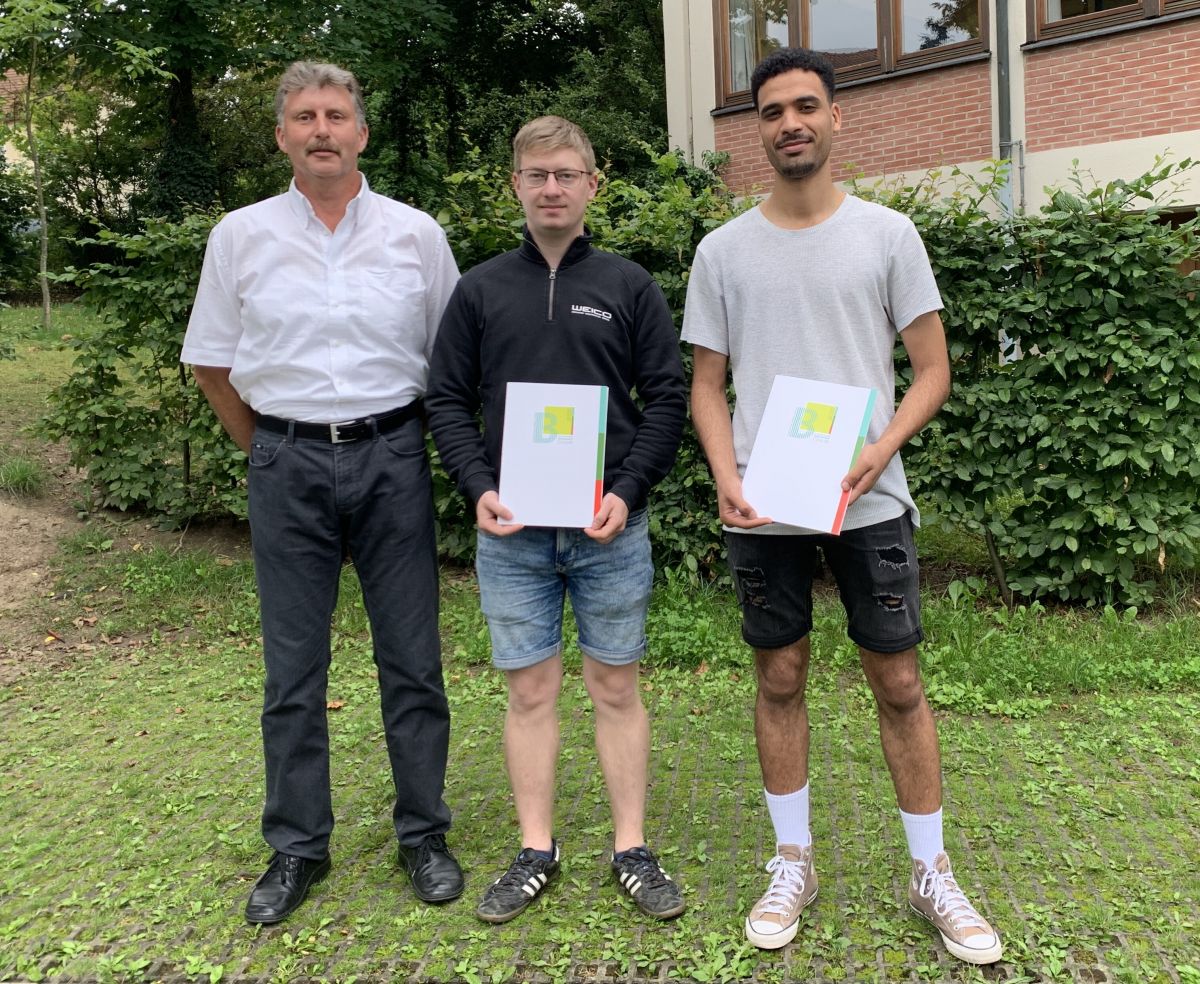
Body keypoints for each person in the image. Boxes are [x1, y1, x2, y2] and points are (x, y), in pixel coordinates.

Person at [682, 48, 1003, 965]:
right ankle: (793, 861)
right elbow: (706, 385)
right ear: (757, 129)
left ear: (834, 117)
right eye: (772, 110)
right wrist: (725, 474)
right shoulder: (722, 252)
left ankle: (930, 870)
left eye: (806, 106)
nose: (790, 123)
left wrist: (881, 447)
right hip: (765, 505)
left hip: (870, 499)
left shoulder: (888, 236)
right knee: (779, 678)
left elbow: (932, 370)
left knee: (898, 683)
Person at [181, 61, 463, 924]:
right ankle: (298, 846)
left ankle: (424, 834)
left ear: (361, 133)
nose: (321, 130)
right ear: (282, 137)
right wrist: (270, 448)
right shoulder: (240, 236)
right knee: (293, 671)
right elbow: (211, 363)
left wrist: (418, 446)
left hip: (392, 457)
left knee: (412, 660)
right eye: (304, 117)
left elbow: (453, 363)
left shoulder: (416, 235)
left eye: (336, 115)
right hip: (288, 462)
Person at [426, 116, 687, 925]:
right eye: (537, 174)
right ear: (515, 184)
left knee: (616, 686)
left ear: (592, 186)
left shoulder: (629, 286)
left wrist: (628, 491)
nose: (551, 188)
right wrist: (477, 486)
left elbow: (667, 399)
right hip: (513, 534)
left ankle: (631, 848)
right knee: (530, 691)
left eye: (566, 174)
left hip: (610, 529)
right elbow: (446, 400)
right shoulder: (478, 290)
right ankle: (535, 850)